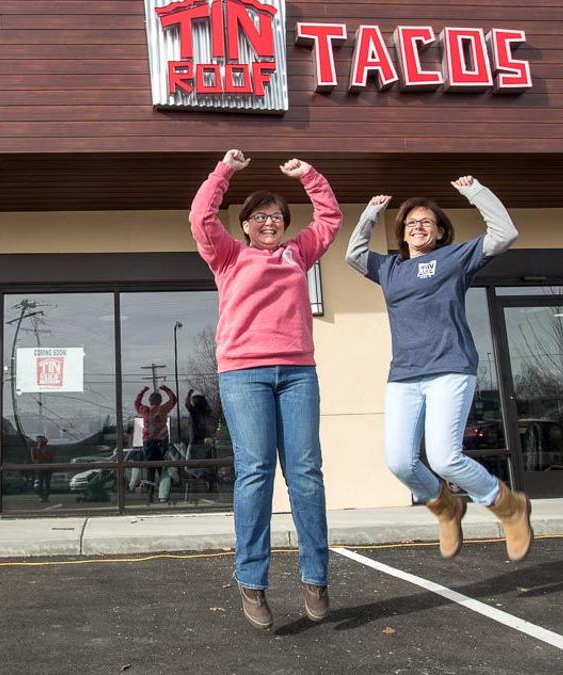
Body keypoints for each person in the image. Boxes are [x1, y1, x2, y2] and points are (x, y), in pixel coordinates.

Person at [190, 148, 342, 630]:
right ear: (247, 224)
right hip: (244, 375)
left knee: (306, 474)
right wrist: (226, 171)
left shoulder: (299, 252)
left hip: (297, 373)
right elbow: (200, 215)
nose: (269, 222)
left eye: (276, 216)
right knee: (254, 472)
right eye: (260, 216)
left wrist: (309, 176)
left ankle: (315, 578)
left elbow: (330, 218)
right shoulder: (229, 255)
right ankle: (252, 583)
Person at [344, 176, 533, 562]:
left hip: (450, 367)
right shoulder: (391, 268)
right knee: (399, 460)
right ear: (403, 234)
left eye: (427, 222)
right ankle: (446, 507)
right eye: (411, 223)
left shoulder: (455, 258)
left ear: (441, 230)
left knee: (446, 457)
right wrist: (370, 213)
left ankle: (506, 505)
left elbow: (504, 232)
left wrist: (476, 193)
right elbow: (353, 254)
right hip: (405, 375)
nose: (418, 227)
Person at [135, 385, 177, 499]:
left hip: (148, 442)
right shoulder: (163, 409)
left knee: (150, 469)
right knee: (162, 468)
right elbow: (173, 399)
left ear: (149, 401)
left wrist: (143, 391)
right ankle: (163, 495)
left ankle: (150, 494)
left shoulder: (145, 410)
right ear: (160, 401)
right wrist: (166, 389)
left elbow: (137, 403)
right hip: (161, 442)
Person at [29, 435, 53, 503]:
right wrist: (39, 449)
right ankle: (41, 496)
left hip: (48, 468)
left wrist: (45, 452)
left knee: (47, 483)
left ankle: (46, 496)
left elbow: (50, 458)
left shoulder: (48, 449)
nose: (41, 442)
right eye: (39, 440)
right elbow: (34, 459)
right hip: (40, 468)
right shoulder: (34, 449)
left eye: (42, 440)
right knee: (40, 483)